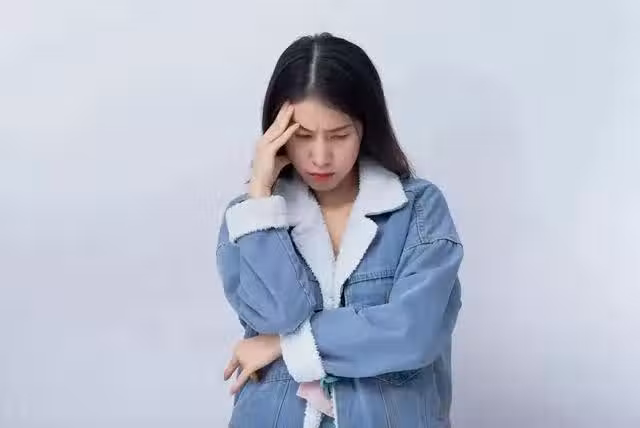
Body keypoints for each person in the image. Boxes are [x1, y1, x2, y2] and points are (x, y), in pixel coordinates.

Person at [216, 32, 463, 428]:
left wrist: (284, 347)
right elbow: (279, 314)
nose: (320, 156)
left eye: (339, 135)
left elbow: (412, 332)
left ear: (366, 127)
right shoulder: (248, 219)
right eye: (302, 136)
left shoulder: (418, 209)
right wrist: (260, 195)